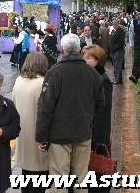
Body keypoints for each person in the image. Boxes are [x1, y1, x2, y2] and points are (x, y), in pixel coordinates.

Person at [35, 33, 105, 193]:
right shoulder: (92, 73)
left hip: (60, 135)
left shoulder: (55, 73)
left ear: (63, 50)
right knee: (81, 178)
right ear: (79, 50)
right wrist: (87, 117)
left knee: (60, 178)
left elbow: (45, 107)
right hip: (83, 132)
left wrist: (42, 136)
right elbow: (100, 104)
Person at [12, 53, 49, 193]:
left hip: (22, 134)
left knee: (26, 174)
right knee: (39, 178)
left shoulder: (19, 81)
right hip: (38, 135)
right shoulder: (42, 83)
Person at [81, 45, 111, 193]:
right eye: (84, 57)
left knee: (99, 177)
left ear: (98, 60)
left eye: (89, 58)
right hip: (89, 135)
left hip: (97, 138)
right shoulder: (91, 77)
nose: (84, 60)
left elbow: (102, 113)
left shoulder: (103, 80)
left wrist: (96, 139)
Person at [109, 19, 126, 84]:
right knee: (115, 65)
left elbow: (121, 43)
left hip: (118, 51)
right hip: (114, 51)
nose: (114, 26)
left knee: (118, 65)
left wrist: (114, 48)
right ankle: (117, 78)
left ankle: (118, 79)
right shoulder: (113, 31)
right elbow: (111, 40)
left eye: (116, 24)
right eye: (113, 24)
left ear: (118, 24)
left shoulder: (121, 31)